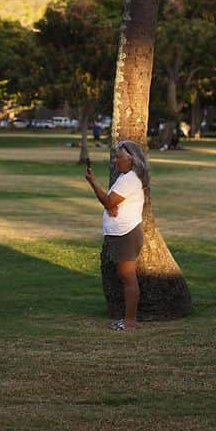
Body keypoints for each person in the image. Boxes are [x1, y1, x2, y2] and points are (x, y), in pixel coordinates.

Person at [84, 140, 147, 331]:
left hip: (126, 234)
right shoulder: (124, 177)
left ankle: (130, 322)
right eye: (115, 157)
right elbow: (113, 203)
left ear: (131, 159)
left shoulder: (129, 179)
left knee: (128, 278)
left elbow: (109, 202)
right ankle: (127, 320)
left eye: (119, 157)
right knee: (125, 276)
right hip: (122, 233)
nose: (115, 161)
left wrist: (93, 183)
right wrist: (111, 205)